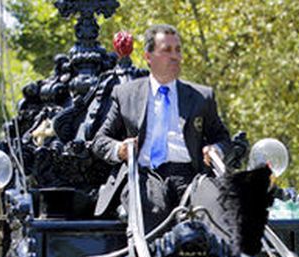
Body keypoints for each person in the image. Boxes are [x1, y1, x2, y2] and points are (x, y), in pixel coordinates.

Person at [92, 23, 231, 229]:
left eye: (178, 50)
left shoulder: (201, 97)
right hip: (146, 175)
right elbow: (99, 141)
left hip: (191, 176)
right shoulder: (125, 94)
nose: (175, 56)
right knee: (152, 209)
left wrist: (216, 149)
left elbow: (224, 140)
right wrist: (119, 150)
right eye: (167, 50)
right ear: (149, 57)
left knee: (215, 208)